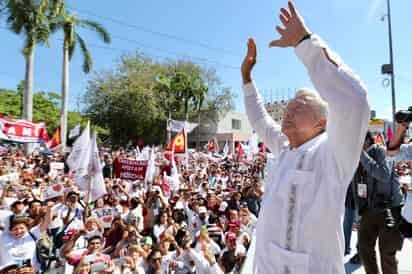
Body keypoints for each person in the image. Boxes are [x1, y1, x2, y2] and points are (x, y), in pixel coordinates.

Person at [241, 1, 370, 273]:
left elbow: (354, 101)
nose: (288, 111)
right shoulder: (285, 148)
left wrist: (305, 43)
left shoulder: (333, 154)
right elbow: (260, 120)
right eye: (288, 106)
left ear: (322, 122)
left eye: (298, 107)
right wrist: (246, 79)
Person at [355, 137, 404, 274]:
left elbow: (384, 175)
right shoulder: (356, 157)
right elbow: (355, 185)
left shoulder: (381, 151)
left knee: (387, 253)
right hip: (367, 210)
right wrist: (357, 214)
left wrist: (362, 155)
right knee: (364, 250)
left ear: (366, 141)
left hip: (389, 209)